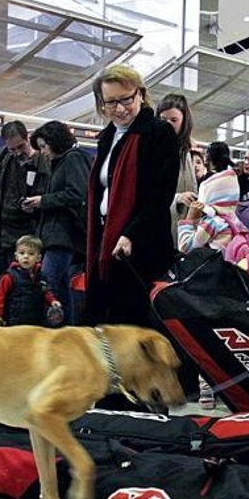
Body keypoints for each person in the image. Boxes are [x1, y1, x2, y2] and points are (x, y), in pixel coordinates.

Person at [85, 64, 178, 327]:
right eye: (111, 102)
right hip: (106, 241)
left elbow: (160, 194)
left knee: (132, 324)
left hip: (140, 245)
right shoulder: (107, 137)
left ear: (140, 94)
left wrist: (131, 233)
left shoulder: (159, 133)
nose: (120, 108)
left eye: (126, 99)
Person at [22, 120, 91, 325]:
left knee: (48, 283)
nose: (42, 152)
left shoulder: (73, 159)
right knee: (60, 287)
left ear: (55, 141)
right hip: (60, 235)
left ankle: (52, 331)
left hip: (64, 235)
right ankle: (67, 331)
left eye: (44, 146)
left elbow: (76, 194)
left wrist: (43, 200)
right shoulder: (65, 161)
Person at [0, 120, 48, 279]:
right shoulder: (1, 157)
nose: (17, 152)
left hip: (25, 237)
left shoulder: (42, 161)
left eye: (21, 147)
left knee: (20, 287)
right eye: (12, 149)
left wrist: (36, 205)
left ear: (27, 138)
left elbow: (46, 194)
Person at [0, 235, 62, 326]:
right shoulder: (9, 276)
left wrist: (52, 301)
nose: (26, 256)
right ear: (16, 256)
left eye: (31, 254)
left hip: (36, 321)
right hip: (14, 321)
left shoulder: (41, 276)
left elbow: (45, 291)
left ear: (38, 258)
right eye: (22, 253)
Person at [156, 94, 198, 239]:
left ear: (184, 122)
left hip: (183, 230)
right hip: (160, 231)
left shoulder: (184, 152)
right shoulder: (152, 151)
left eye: (173, 120)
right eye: (163, 120)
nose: (167, 124)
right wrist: (178, 198)